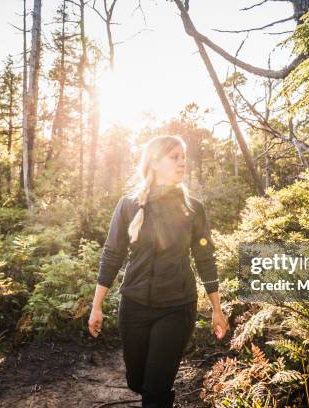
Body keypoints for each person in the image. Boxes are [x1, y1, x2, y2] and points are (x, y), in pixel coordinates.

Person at [87, 135, 230, 408]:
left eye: (184, 157)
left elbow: (205, 258)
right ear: (155, 162)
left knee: (155, 390)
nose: (182, 163)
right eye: (174, 157)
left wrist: (216, 308)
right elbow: (112, 255)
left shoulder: (192, 208)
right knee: (137, 382)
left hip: (177, 307)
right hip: (134, 305)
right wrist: (97, 305)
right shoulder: (128, 205)